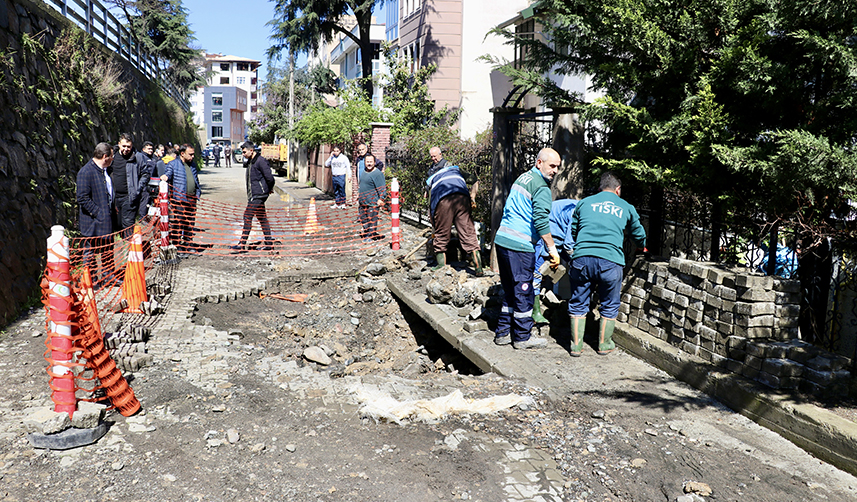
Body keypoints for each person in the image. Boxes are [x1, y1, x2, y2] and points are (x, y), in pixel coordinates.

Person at [567, 171, 646, 356]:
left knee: (578, 302)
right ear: (618, 189)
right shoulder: (626, 206)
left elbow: (573, 230)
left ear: (600, 188)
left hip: (582, 259)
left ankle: (576, 347)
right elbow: (639, 234)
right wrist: (641, 247)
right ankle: (604, 344)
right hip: (610, 261)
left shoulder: (584, 202)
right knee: (609, 303)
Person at [493, 148, 562, 350]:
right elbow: (541, 221)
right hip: (520, 246)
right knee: (524, 290)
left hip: (503, 239)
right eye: (552, 166)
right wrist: (553, 249)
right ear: (539, 163)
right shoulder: (541, 187)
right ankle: (523, 337)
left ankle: (503, 333)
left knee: (510, 290)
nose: (555, 170)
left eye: (558, 166)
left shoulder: (523, 178)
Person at [425, 147, 482, 275]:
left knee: (441, 233)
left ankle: (441, 267)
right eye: (432, 157)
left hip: (443, 200)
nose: (433, 159)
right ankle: (478, 268)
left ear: (441, 154)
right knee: (468, 232)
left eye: (435, 156)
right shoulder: (456, 169)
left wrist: (433, 222)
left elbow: (429, 200)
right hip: (462, 198)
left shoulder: (431, 177)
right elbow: (475, 180)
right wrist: (472, 198)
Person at [532, 198, 579, 323]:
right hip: (546, 236)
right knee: (537, 273)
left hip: (558, 236)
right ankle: (535, 312)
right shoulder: (577, 211)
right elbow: (569, 245)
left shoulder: (582, 210)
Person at [77, 142, 115, 284]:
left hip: (105, 221)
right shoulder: (86, 172)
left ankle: (108, 277)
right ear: (105, 157)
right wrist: (99, 213)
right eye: (111, 156)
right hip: (91, 223)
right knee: (90, 253)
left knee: (107, 251)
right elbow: (82, 197)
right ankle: (90, 281)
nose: (112, 159)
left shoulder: (103, 171)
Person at [231, 141, 275, 252]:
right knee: (262, 218)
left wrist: (268, 189)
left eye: (244, 152)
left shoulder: (261, 161)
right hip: (254, 195)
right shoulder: (251, 161)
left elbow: (270, 178)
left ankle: (242, 244)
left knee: (247, 216)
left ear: (251, 150)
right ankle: (269, 244)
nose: (243, 154)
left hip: (259, 195)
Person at [161, 144, 201, 252]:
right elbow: (168, 174)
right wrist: (165, 177)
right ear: (182, 153)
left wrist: (198, 192)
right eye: (190, 154)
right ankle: (177, 247)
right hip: (179, 200)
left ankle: (188, 245)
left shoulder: (192, 165)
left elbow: (195, 179)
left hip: (192, 200)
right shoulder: (173, 164)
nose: (193, 156)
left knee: (189, 224)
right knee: (178, 224)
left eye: (193, 154)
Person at [111, 133, 150, 235]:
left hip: (129, 197)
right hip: (114, 197)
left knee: (128, 225)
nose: (126, 149)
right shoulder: (112, 156)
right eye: (124, 146)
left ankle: (129, 247)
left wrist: (138, 188)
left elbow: (145, 174)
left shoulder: (138, 157)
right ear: (119, 144)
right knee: (117, 225)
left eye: (129, 147)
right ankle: (123, 245)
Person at [358, 153, 386, 242]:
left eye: (371, 162)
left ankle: (370, 235)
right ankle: (366, 233)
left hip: (372, 202)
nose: (369, 164)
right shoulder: (364, 171)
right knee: (364, 220)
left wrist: (381, 199)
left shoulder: (377, 174)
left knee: (372, 220)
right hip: (363, 201)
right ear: (365, 163)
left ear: (374, 162)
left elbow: (382, 187)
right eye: (367, 162)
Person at [137, 141, 157, 217]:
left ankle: (145, 216)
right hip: (143, 182)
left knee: (147, 200)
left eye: (151, 149)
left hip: (150, 183)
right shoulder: (141, 157)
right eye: (148, 149)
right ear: (144, 149)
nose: (150, 151)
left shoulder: (151, 158)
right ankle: (142, 217)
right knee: (144, 200)